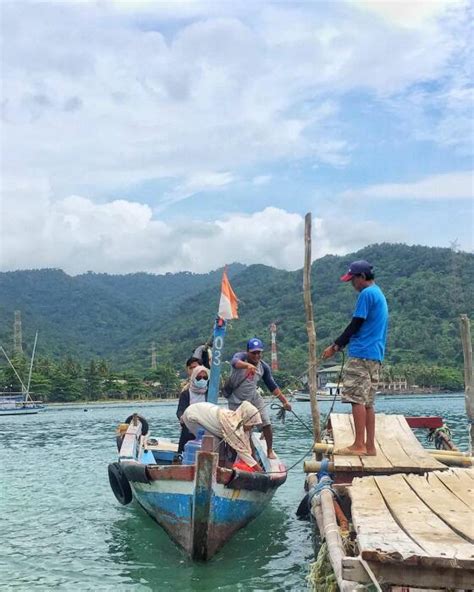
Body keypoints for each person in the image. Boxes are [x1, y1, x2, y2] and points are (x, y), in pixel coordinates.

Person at [322, 260, 388, 457]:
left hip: (361, 353)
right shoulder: (379, 293)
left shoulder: (366, 294)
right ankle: (370, 446)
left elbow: (355, 324)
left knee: (356, 399)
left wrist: (336, 346)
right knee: (368, 402)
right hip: (375, 354)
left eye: (353, 279)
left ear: (361, 277)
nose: (352, 284)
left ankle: (359, 444)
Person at [227, 338, 291, 460]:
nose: (256, 355)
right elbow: (234, 362)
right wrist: (247, 365)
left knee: (266, 422)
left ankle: (269, 450)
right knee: (240, 429)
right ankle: (246, 455)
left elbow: (272, 385)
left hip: (253, 397)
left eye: (259, 352)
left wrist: (285, 402)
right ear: (248, 352)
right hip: (236, 399)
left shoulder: (263, 367)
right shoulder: (240, 357)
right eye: (253, 352)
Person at [182, 400, 263, 471]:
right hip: (192, 416)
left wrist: (255, 462)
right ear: (245, 420)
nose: (252, 427)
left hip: (201, 411)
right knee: (214, 444)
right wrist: (260, 470)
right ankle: (211, 472)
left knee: (220, 447)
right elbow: (243, 453)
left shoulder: (236, 419)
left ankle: (220, 470)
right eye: (251, 425)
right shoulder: (232, 427)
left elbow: (247, 445)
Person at [176, 364, 209, 453]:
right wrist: (183, 417)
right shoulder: (186, 394)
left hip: (206, 429)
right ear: (194, 377)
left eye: (205, 378)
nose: (202, 380)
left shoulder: (209, 393)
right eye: (199, 377)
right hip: (189, 428)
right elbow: (180, 410)